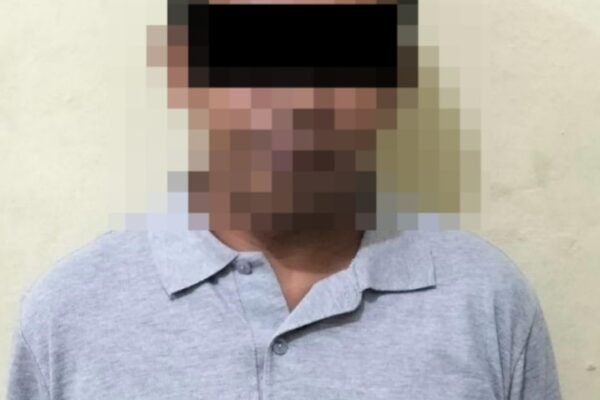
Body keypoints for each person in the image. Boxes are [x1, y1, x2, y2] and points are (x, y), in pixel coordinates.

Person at [6, 0, 562, 399]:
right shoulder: (69, 316)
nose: (297, 98)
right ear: (184, 71)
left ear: (393, 80)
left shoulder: (486, 304)